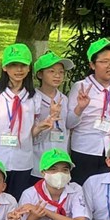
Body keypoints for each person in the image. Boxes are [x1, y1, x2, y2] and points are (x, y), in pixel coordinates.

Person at [66, 38, 110, 185]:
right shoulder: (80, 87)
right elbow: (69, 123)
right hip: (84, 149)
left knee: (107, 189)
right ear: (92, 65)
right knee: (81, 189)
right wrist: (80, 108)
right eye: (105, 61)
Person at [0, 43, 38, 201]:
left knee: (17, 201)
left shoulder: (34, 97)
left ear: (29, 68)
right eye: (13, 65)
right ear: (4, 67)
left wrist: (42, 127)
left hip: (22, 161)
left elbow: (31, 132)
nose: (19, 70)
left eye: (23, 65)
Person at [30, 51, 74, 183]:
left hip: (60, 158)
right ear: (40, 74)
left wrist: (79, 109)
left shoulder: (64, 99)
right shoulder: (32, 99)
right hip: (38, 160)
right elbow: (31, 136)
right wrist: (51, 116)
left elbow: (68, 126)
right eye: (51, 71)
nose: (57, 75)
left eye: (61, 72)